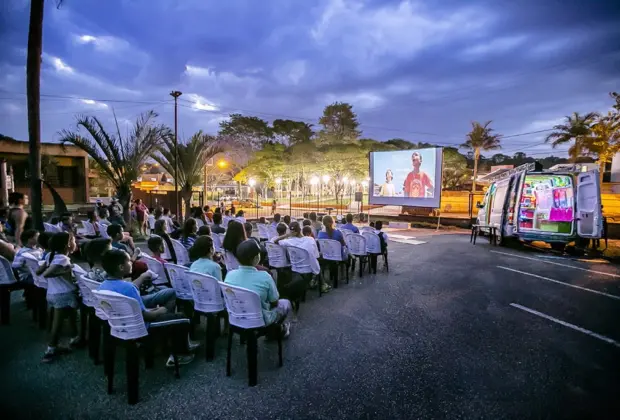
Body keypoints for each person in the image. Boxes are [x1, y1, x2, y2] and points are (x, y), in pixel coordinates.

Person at [98, 249, 197, 367]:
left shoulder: (102, 286)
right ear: (121, 267)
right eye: (128, 261)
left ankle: (170, 339)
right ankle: (180, 354)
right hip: (142, 327)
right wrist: (161, 310)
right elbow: (146, 316)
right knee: (182, 318)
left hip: (120, 325)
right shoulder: (129, 288)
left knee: (168, 306)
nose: (131, 263)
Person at [224, 240, 291, 337]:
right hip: (260, 321)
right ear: (256, 258)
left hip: (236, 318)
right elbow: (274, 301)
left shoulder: (230, 274)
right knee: (285, 303)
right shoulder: (264, 276)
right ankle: (277, 332)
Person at [38, 232, 81, 362]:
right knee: (57, 324)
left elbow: (38, 271)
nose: (76, 243)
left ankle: (74, 338)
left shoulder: (50, 255)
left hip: (52, 293)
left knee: (72, 315)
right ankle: (50, 350)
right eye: (73, 240)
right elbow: (46, 274)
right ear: (67, 245)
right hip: (63, 294)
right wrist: (65, 271)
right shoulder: (63, 258)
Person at [318, 215, 347, 288]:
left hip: (326, 256)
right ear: (332, 222)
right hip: (337, 256)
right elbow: (343, 244)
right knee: (346, 253)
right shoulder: (338, 233)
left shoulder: (320, 234)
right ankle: (343, 274)